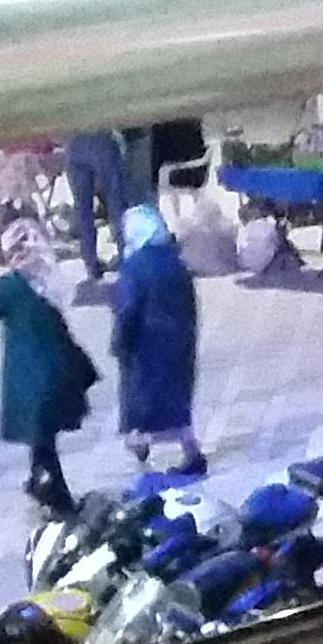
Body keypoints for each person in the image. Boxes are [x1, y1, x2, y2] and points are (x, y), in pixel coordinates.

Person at [0, 239, 99, 519]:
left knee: (41, 440)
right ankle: (40, 484)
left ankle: (57, 497)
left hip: (26, 378)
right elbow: (61, 325)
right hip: (58, 371)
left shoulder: (8, 286)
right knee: (43, 437)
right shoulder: (47, 282)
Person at [108, 199, 203, 467]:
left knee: (141, 399)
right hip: (179, 340)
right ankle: (191, 452)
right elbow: (190, 303)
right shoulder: (176, 262)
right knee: (177, 400)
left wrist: (119, 341)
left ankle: (139, 442)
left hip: (146, 344)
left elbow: (127, 308)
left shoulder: (134, 267)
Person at [62, 128, 130, 293]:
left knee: (82, 208)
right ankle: (125, 256)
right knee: (116, 203)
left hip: (74, 143)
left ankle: (90, 262)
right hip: (100, 138)